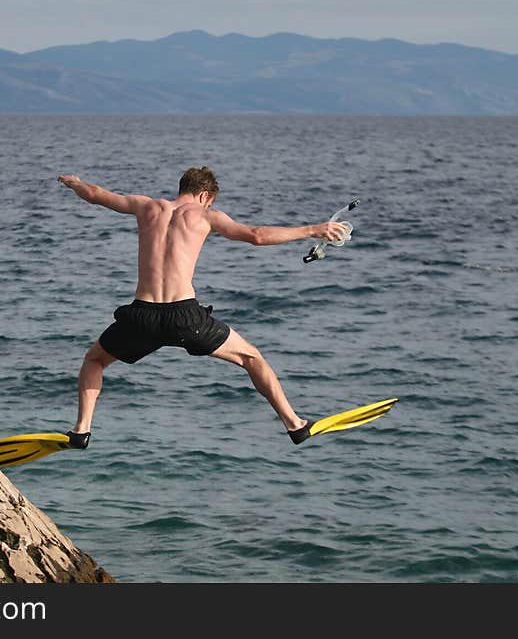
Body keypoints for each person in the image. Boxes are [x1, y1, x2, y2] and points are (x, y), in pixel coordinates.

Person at [56, 167, 349, 448]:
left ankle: (82, 431)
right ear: (205, 195)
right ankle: (295, 424)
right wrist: (313, 230)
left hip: (141, 316)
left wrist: (75, 183)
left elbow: (95, 194)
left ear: (182, 187)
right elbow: (256, 235)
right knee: (251, 358)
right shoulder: (206, 216)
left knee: (94, 361)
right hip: (185, 317)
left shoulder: (146, 207)